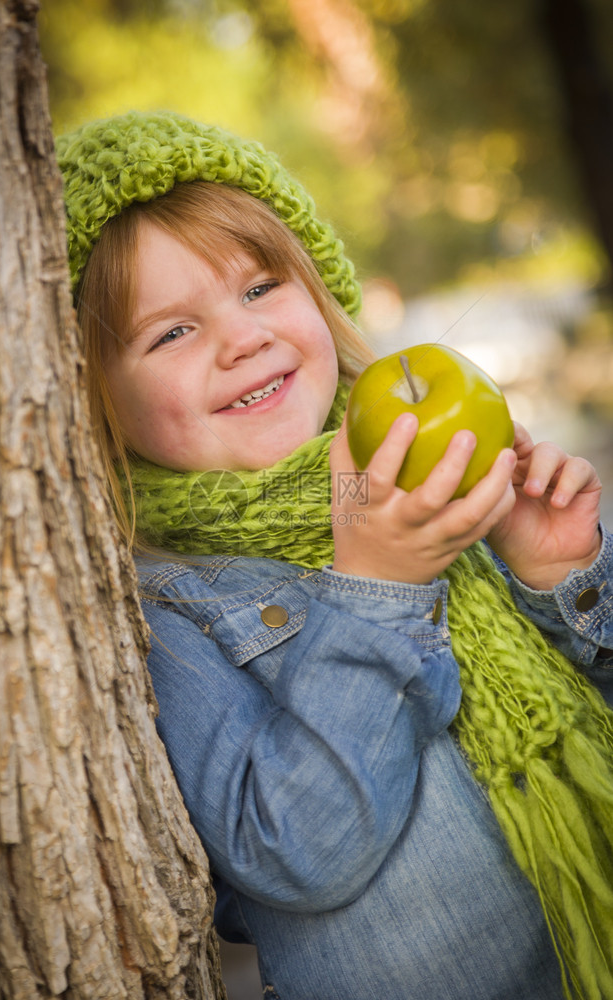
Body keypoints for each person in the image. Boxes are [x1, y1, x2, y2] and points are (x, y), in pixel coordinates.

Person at [57, 110, 613, 1000]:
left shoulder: (412, 487)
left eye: (258, 288)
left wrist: (560, 576)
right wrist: (377, 588)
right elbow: (294, 855)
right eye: (170, 331)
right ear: (97, 395)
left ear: (318, 293)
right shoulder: (162, 613)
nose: (241, 339)